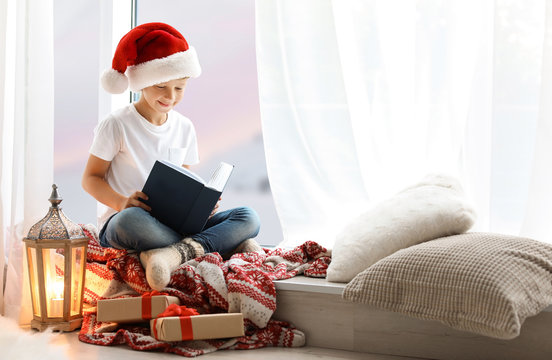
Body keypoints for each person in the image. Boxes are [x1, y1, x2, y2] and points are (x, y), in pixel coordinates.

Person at [82, 22, 261, 291]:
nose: (171, 96)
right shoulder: (116, 124)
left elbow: (184, 181)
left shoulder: (184, 127)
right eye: (161, 87)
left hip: (171, 225)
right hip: (127, 220)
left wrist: (201, 205)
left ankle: (172, 253)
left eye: (179, 88)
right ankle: (217, 244)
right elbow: (90, 179)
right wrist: (122, 203)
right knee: (131, 222)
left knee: (248, 217)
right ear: (141, 83)